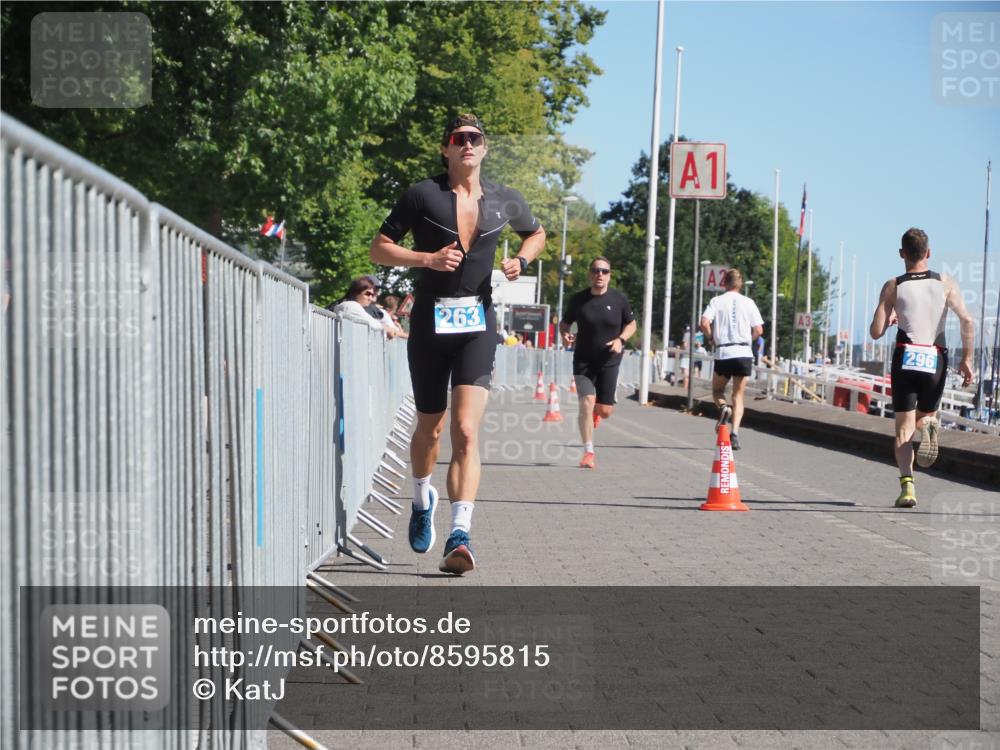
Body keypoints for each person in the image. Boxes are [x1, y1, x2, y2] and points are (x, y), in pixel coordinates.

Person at [370, 113, 545, 574]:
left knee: (465, 430)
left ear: (484, 148)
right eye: (458, 138)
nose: (467, 144)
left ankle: (460, 534)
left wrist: (522, 260)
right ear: (446, 149)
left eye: (475, 138)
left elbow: (537, 233)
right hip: (430, 322)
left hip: (477, 322)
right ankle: (420, 497)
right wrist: (426, 258)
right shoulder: (423, 194)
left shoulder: (505, 199)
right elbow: (379, 248)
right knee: (430, 428)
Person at [869, 227, 974, 508]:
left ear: (901, 253)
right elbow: (967, 321)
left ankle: (908, 487)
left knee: (903, 430)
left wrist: (890, 313)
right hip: (935, 358)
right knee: (925, 415)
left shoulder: (894, 285)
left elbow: (876, 332)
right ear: (928, 253)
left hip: (906, 357)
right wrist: (967, 359)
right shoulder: (945, 283)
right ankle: (928, 423)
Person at [559, 256, 636, 469]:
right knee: (585, 402)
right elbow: (565, 323)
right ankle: (588, 452)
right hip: (583, 360)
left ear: (609, 275)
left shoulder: (619, 299)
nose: (599, 274)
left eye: (604, 271)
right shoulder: (579, 299)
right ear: (589, 274)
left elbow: (631, 324)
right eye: (595, 270)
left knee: (605, 411)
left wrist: (621, 340)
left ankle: (597, 412)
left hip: (609, 360)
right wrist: (565, 335)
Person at [699, 268, 764, 451]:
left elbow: (704, 322)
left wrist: (711, 337)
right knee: (738, 396)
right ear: (740, 284)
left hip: (724, 352)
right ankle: (734, 435)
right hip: (743, 353)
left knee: (717, 390)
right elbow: (759, 330)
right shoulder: (749, 302)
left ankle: (723, 408)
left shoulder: (717, 301)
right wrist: (747, 340)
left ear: (724, 283)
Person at [331, 275, 398, 338]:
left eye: (372, 295)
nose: (371, 298)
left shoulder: (351, 305)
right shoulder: (350, 305)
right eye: (367, 294)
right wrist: (387, 329)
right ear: (355, 293)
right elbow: (374, 325)